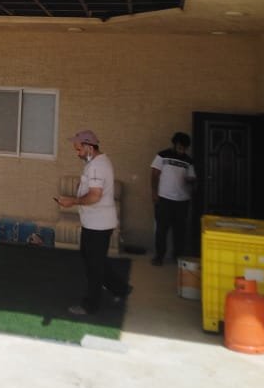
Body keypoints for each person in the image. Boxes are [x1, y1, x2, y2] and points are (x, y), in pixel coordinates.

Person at [55, 129, 132, 316]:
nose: (77, 153)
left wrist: (72, 201)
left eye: (79, 149)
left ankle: (90, 305)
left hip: (98, 225)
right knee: (94, 259)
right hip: (95, 223)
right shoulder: (96, 163)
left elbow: (95, 196)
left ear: (89, 147)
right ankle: (120, 288)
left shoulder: (97, 166)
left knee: (94, 266)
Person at [150, 131, 196, 266]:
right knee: (161, 230)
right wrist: (154, 193)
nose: (182, 150)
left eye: (184, 148)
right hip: (164, 199)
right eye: (180, 147)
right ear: (174, 144)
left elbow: (192, 178)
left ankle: (177, 256)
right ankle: (159, 256)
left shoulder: (188, 161)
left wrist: (190, 181)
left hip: (182, 201)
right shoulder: (162, 155)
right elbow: (154, 174)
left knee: (180, 231)